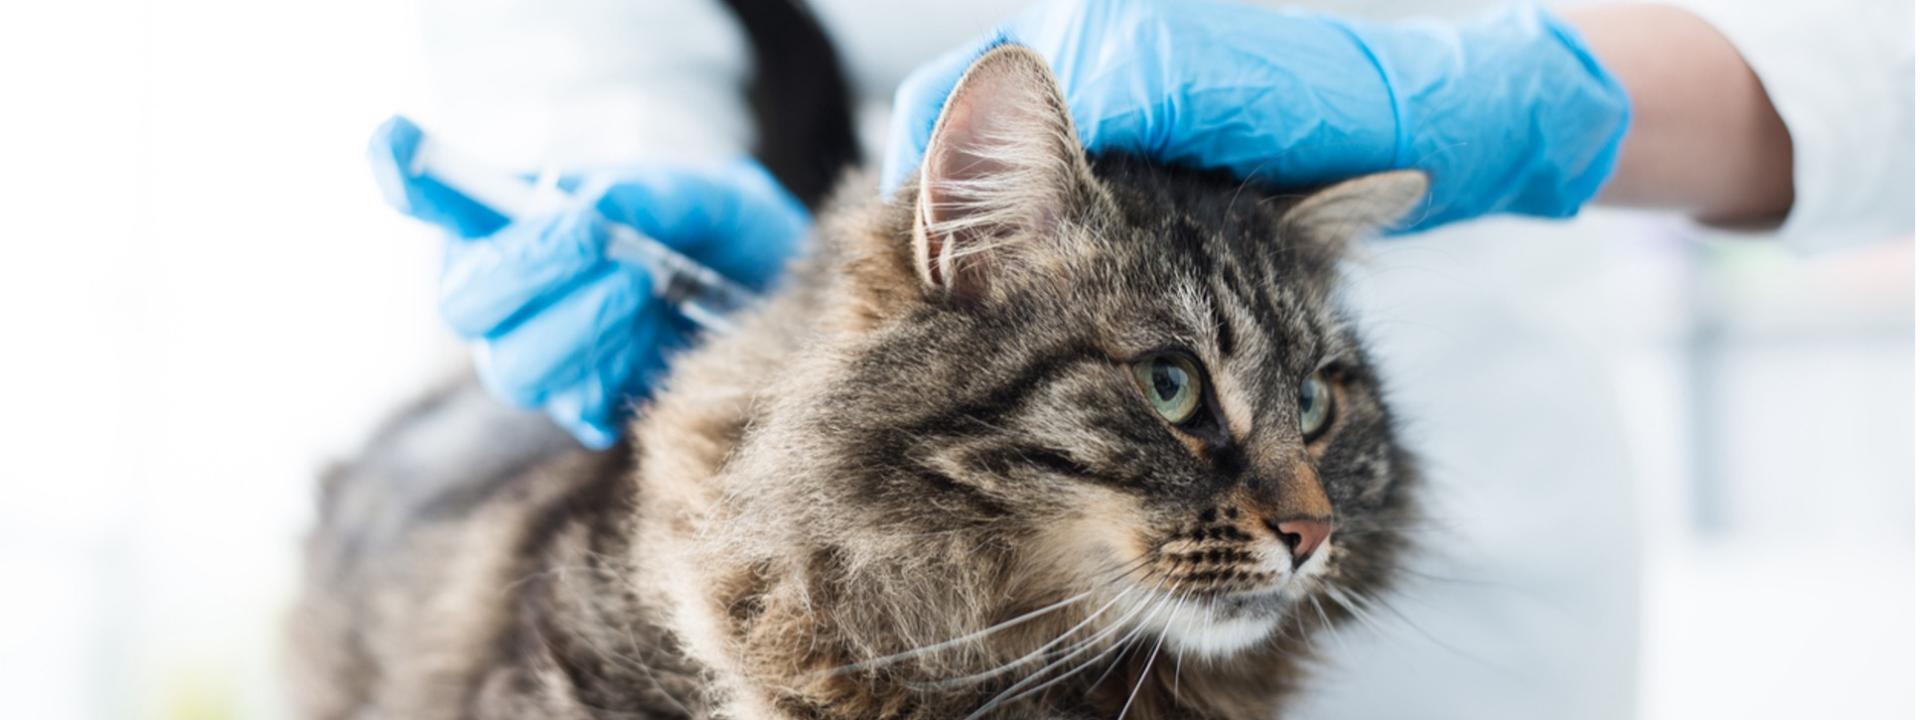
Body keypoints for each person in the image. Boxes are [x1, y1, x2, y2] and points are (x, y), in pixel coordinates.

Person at [371, 0, 1913, 716]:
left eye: (1305, 423)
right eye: (1184, 405)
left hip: (1477, 480)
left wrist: (1550, 96)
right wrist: (610, 152)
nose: (1296, 505)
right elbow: (574, 37)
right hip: (951, 225)